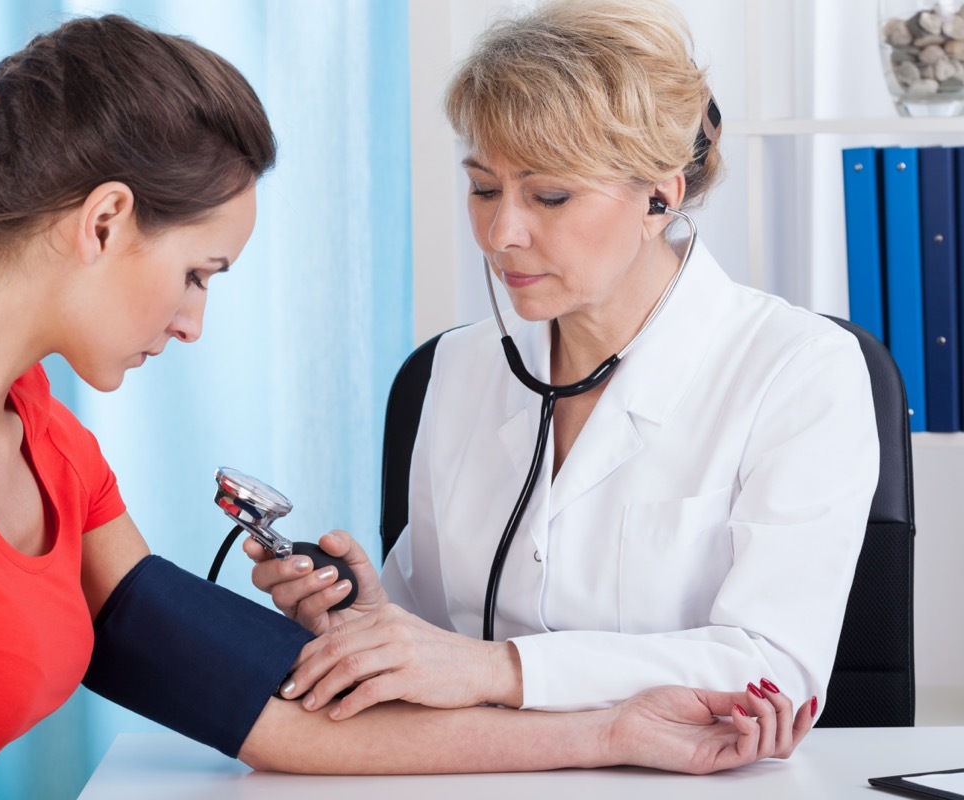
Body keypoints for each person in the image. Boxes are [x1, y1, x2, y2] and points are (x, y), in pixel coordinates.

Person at [0, 13, 815, 799]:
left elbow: (262, 708)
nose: (193, 324)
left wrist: (608, 729)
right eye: (200, 273)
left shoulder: (38, 428)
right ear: (105, 221)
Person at [250, 0, 878, 727]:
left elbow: (775, 669)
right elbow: (434, 633)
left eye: (549, 194)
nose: (500, 232)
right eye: (483, 187)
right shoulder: (455, 367)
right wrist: (365, 624)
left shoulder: (799, 371)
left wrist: (503, 669)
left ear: (658, 196)